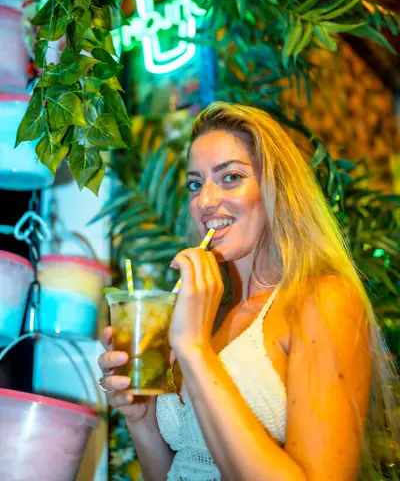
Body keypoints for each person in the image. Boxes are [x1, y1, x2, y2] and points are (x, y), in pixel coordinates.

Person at [99, 102, 398, 481]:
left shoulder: (322, 299)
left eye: (230, 177)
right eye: (196, 183)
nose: (205, 201)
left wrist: (193, 350)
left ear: (276, 187)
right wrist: (140, 418)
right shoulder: (204, 313)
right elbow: (179, 470)